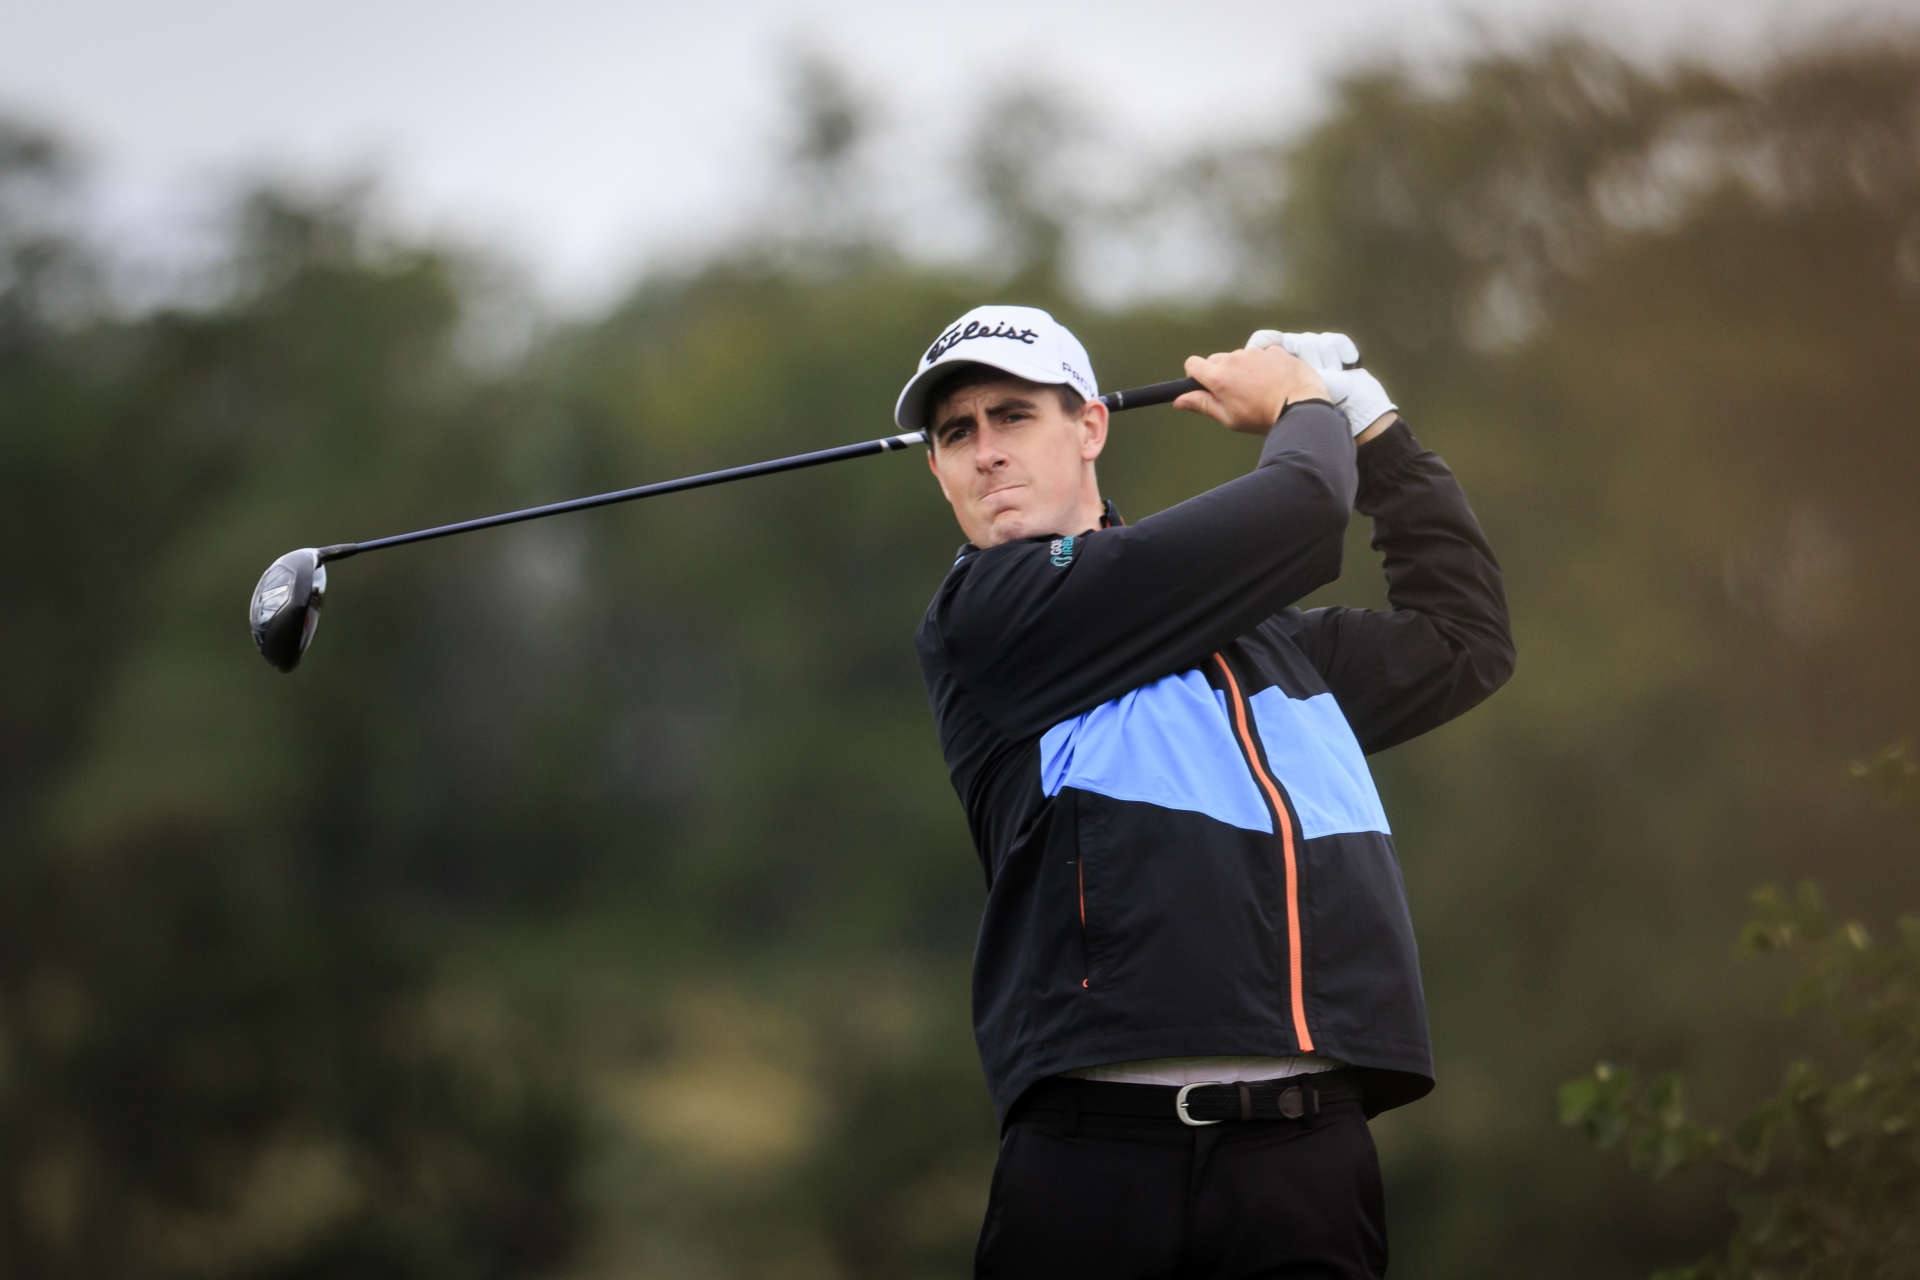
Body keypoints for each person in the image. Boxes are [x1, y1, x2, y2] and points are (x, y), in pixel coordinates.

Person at [899, 304, 1515, 1278]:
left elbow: (1463, 637)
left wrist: (1376, 428)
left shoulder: (1271, 651)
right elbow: (1302, 507)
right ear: (937, 469)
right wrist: (1305, 404)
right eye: (955, 433)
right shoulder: (988, 617)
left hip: (1304, 1159)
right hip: (1095, 1159)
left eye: (1012, 415)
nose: (986, 452)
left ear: (1090, 426)